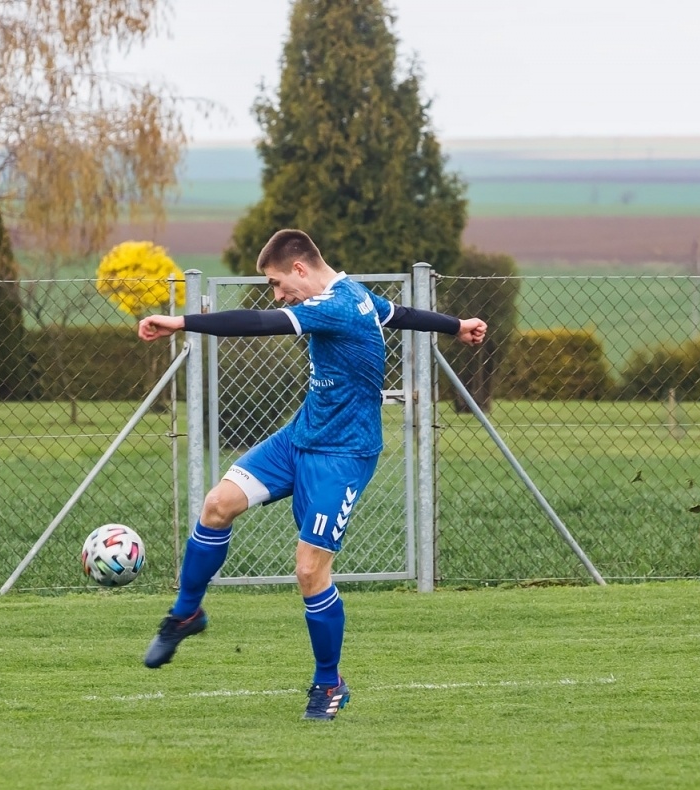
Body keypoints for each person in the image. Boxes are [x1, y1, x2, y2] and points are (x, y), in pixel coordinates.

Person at [136, 229, 486, 720]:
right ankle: (186, 612)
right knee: (217, 505)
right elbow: (401, 315)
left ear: (300, 269)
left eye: (279, 283)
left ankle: (329, 684)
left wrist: (180, 321)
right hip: (297, 440)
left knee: (308, 569)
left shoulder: (336, 306)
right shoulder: (356, 295)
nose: (278, 295)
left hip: (344, 456)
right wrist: (456, 325)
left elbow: (256, 323)